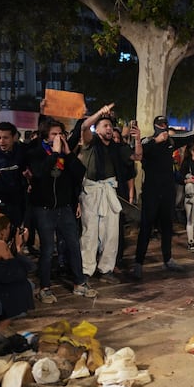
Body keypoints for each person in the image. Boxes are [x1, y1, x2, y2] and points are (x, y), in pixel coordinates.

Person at [27, 119, 98, 303]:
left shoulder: (65, 154)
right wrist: (55, 154)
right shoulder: (35, 152)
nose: (59, 137)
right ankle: (45, 287)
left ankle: (79, 283)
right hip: (44, 209)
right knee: (48, 248)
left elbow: (79, 172)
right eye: (54, 134)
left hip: (64, 207)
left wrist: (67, 154)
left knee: (74, 245)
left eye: (61, 133)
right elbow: (40, 173)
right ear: (45, 136)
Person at [77, 103, 125, 285]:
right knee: (90, 233)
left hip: (109, 190)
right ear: (96, 129)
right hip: (92, 191)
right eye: (105, 126)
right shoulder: (91, 142)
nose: (109, 129)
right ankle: (86, 270)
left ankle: (106, 269)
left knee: (111, 233)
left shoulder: (115, 146)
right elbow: (83, 127)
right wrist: (100, 113)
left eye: (110, 126)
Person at [132, 116, 183, 279]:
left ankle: (168, 259)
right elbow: (139, 154)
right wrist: (157, 141)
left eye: (165, 125)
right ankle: (139, 263)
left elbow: (191, 136)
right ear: (155, 126)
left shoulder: (172, 142)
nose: (164, 128)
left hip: (168, 192)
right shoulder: (148, 142)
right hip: (151, 192)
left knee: (167, 227)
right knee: (146, 227)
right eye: (161, 125)